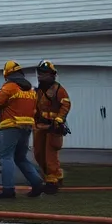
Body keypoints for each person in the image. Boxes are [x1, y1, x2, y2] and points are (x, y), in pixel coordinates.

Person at [0, 61, 45, 200]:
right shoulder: (30, 90)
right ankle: (37, 183)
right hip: (26, 127)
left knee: (6, 157)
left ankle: (8, 190)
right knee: (20, 157)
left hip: (11, 126)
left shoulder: (10, 87)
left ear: (7, 74)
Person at [33, 60, 71, 194]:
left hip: (53, 127)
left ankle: (52, 181)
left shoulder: (59, 90)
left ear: (52, 75)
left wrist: (59, 119)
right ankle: (54, 175)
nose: (40, 76)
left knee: (50, 155)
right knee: (38, 154)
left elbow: (66, 105)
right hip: (39, 126)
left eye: (44, 73)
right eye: (39, 73)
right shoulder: (38, 91)